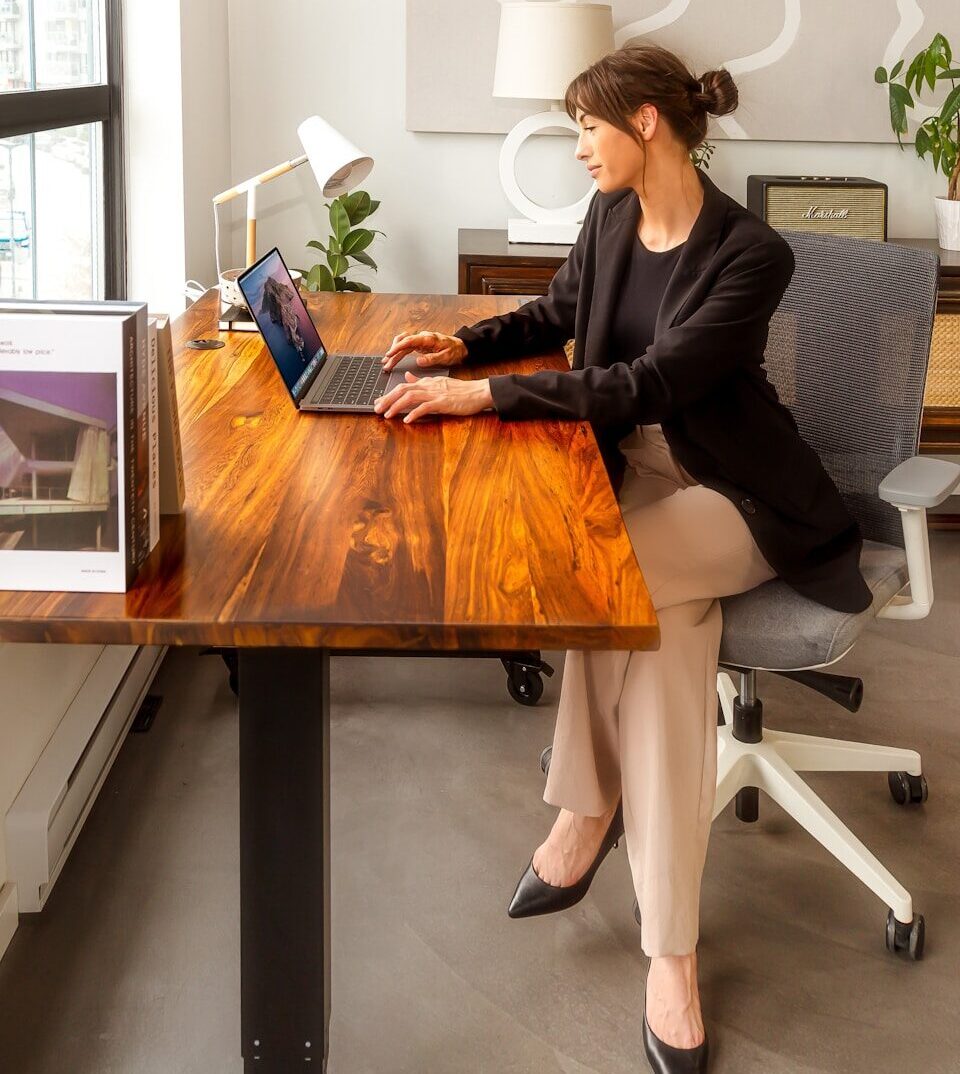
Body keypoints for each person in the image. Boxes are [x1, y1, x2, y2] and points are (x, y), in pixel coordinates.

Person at [374, 43, 872, 1074]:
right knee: (666, 634)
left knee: (603, 581)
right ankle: (666, 948)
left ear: (646, 123)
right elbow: (560, 314)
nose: (577, 153)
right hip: (633, 477)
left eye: (587, 130)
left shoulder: (750, 252)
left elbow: (651, 382)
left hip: (730, 494)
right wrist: (461, 350)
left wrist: (489, 398)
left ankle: (594, 827)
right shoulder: (609, 215)